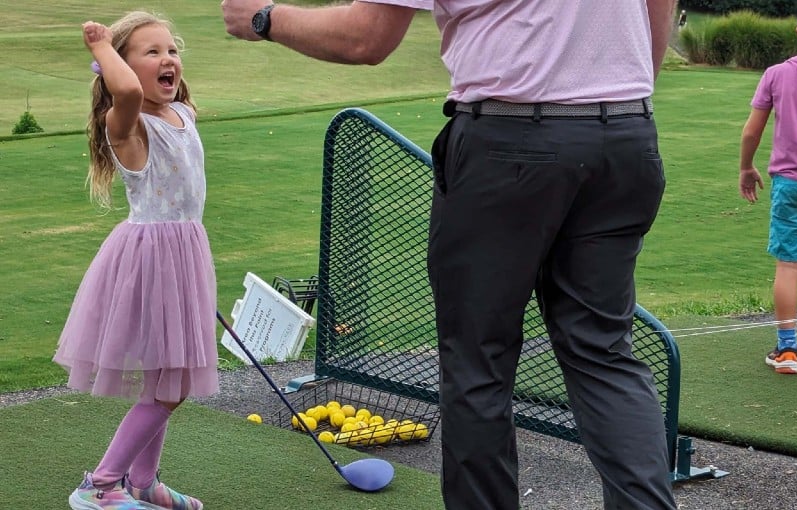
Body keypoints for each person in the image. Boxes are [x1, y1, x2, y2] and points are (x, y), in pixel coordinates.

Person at [222, 1, 678, 508]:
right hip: (626, 136)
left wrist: (263, 18)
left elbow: (366, 38)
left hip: (510, 142)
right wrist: (621, 94)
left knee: (477, 361)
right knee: (603, 352)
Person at [53, 11, 218, 510]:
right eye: (152, 52)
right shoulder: (127, 125)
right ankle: (100, 485)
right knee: (171, 386)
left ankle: (143, 483)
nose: (169, 59)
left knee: (167, 379)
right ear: (120, 69)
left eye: (172, 49)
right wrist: (101, 47)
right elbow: (125, 93)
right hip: (152, 263)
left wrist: (139, 62)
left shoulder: (181, 113)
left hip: (185, 258)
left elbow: (158, 89)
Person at [738, 0, 797, 376]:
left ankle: (787, 352)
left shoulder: (777, 74)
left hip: (790, 184)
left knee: (788, 267)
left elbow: (752, 131)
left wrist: (745, 168)